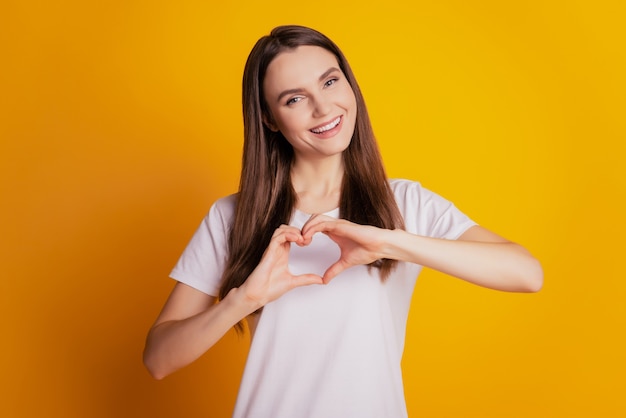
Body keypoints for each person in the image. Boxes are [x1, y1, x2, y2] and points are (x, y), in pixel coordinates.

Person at [143, 25, 543, 417]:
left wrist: (389, 241)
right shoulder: (233, 216)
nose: (323, 108)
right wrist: (244, 299)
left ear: (349, 85)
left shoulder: (403, 202)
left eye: (330, 82)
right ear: (268, 119)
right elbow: (159, 359)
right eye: (294, 99)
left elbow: (526, 274)